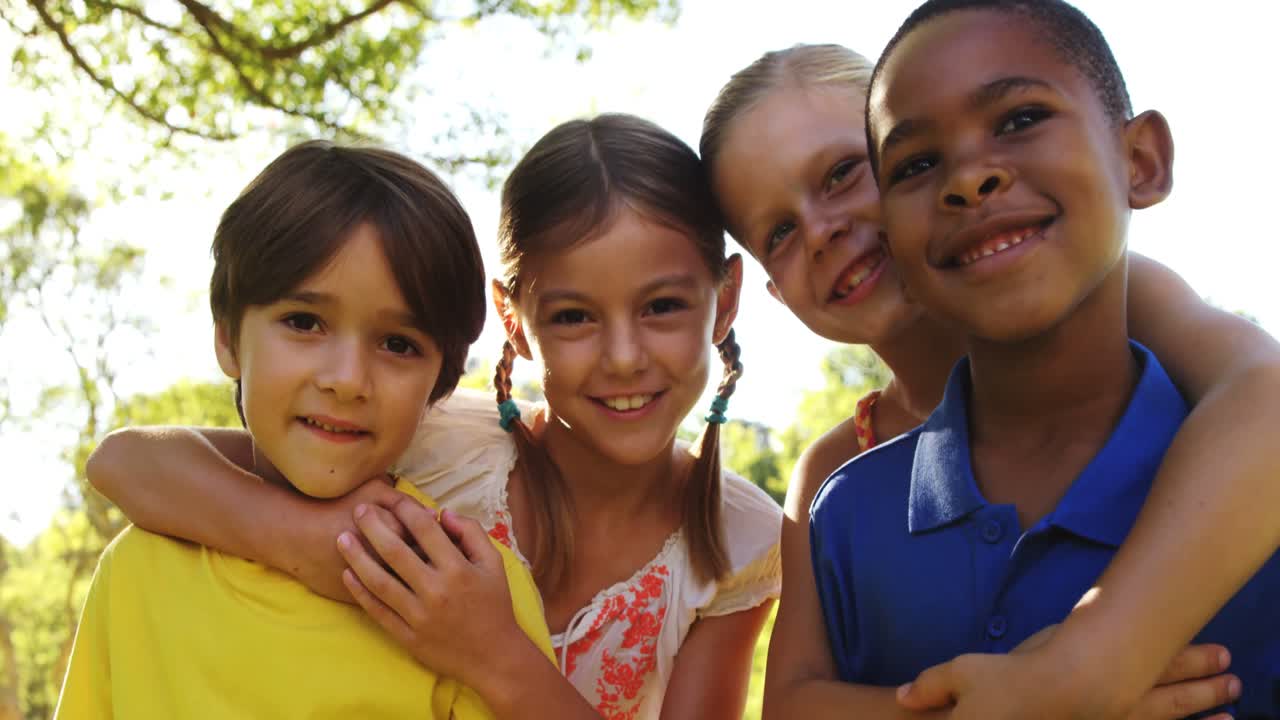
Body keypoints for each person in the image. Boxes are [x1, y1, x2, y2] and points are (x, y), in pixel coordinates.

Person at [85, 115, 781, 719]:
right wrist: (310, 540)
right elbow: (130, 462)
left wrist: (494, 654)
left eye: (662, 306)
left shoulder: (738, 543)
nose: (624, 358)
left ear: (724, 301)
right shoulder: (434, 440)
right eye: (574, 316)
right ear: (514, 321)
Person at [701, 32, 1280, 719]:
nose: (821, 229)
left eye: (843, 174)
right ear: (775, 292)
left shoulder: (1124, 300)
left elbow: (1265, 390)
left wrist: (1088, 665)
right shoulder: (839, 474)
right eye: (779, 233)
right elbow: (792, 703)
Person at [54, 140, 556, 719]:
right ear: (227, 338)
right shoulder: (137, 571)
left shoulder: (471, 593)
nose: (347, 380)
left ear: (439, 382)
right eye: (304, 322)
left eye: (398, 344)